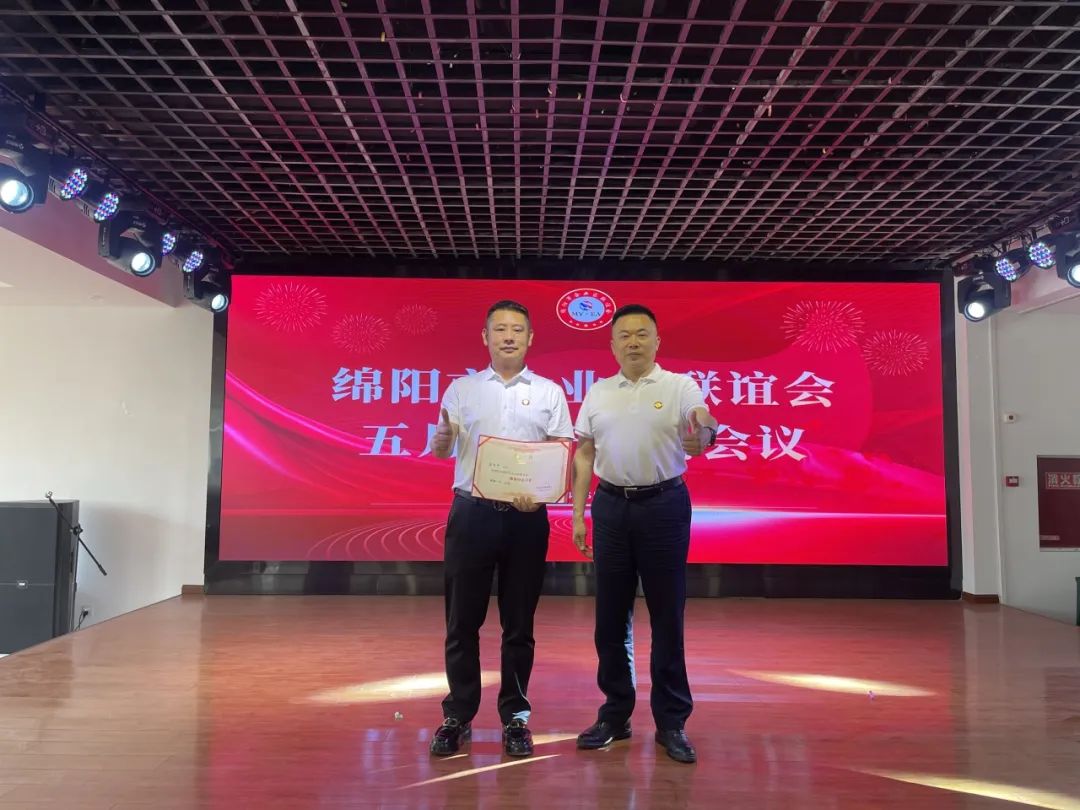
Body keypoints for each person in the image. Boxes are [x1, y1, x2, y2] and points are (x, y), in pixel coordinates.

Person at [571, 303, 718, 764]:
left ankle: (671, 722)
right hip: (611, 506)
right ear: (612, 345)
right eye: (624, 335)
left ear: (657, 341)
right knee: (610, 618)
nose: (633, 342)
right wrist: (577, 514)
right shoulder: (598, 392)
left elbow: (703, 417)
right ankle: (615, 714)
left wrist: (705, 435)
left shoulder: (678, 386)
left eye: (642, 334)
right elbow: (584, 454)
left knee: (667, 614)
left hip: (663, 506)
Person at [427, 300, 574, 758]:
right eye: (500, 329)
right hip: (472, 513)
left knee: (519, 623)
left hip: (527, 518)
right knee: (461, 621)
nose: (508, 336)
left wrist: (543, 492)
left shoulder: (550, 392)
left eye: (517, 330)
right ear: (485, 337)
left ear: (530, 338)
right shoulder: (462, 389)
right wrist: (441, 441)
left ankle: (515, 717)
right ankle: (458, 714)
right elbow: (441, 448)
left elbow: (562, 449)